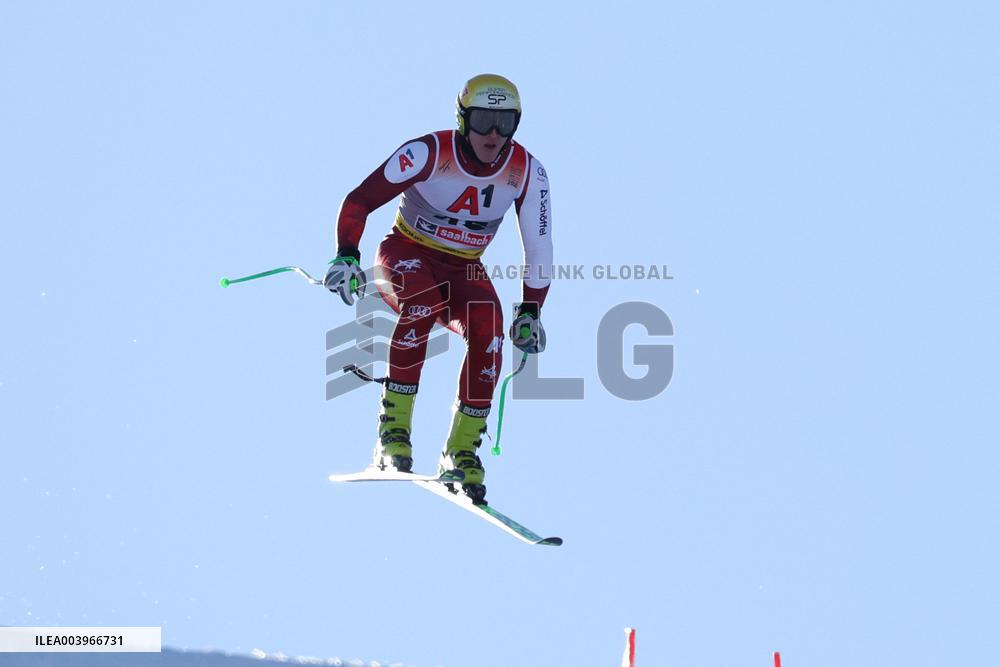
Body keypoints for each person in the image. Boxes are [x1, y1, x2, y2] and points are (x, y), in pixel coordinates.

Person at [324, 74, 552, 505]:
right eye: (483, 120)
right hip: (407, 251)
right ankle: (393, 434)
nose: (492, 135)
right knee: (422, 305)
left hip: (464, 268)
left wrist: (531, 312)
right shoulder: (428, 152)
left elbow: (540, 247)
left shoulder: (527, 171)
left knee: (490, 325)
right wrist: (346, 255)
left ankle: (462, 452)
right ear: (463, 119)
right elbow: (359, 200)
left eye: (506, 123)